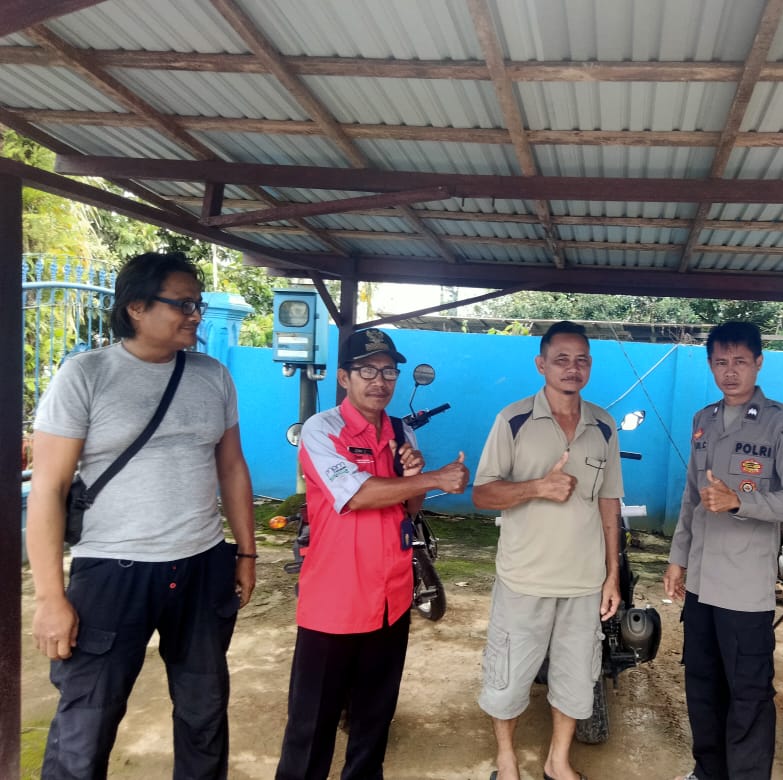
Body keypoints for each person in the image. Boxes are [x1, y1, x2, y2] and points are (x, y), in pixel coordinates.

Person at [27, 251, 257, 779]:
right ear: (136, 307)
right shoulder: (86, 375)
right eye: (184, 304)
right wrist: (50, 599)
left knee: (204, 714)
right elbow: (48, 488)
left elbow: (231, 467)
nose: (196, 315)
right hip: (112, 572)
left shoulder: (213, 376)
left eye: (198, 305)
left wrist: (245, 553)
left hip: (200, 567)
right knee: (86, 726)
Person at [276, 327, 470, 780]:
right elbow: (357, 495)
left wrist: (416, 477)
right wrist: (434, 479)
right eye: (367, 370)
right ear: (344, 377)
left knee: (373, 721)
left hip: (390, 600)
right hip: (335, 604)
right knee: (311, 728)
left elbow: (410, 508)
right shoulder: (323, 430)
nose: (379, 381)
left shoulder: (402, 431)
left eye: (388, 371)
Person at [664, 321, 783, 780]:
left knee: (748, 693)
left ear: (758, 363)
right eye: (720, 362)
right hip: (701, 583)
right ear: (711, 365)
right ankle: (707, 771)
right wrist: (677, 558)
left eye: (740, 362)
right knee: (702, 685)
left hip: (745, 589)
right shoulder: (703, 420)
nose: (730, 372)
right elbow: (692, 497)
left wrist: (740, 502)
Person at [473, 320, 623, 780]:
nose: (572, 368)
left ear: (590, 366)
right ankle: (507, 760)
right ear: (541, 364)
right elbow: (482, 494)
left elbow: (609, 500)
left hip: (583, 581)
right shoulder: (513, 420)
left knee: (577, 677)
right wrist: (537, 487)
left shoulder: (604, 424)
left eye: (581, 360)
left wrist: (612, 573)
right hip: (525, 577)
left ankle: (558, 761)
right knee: (509, 676)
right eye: (561, 359)